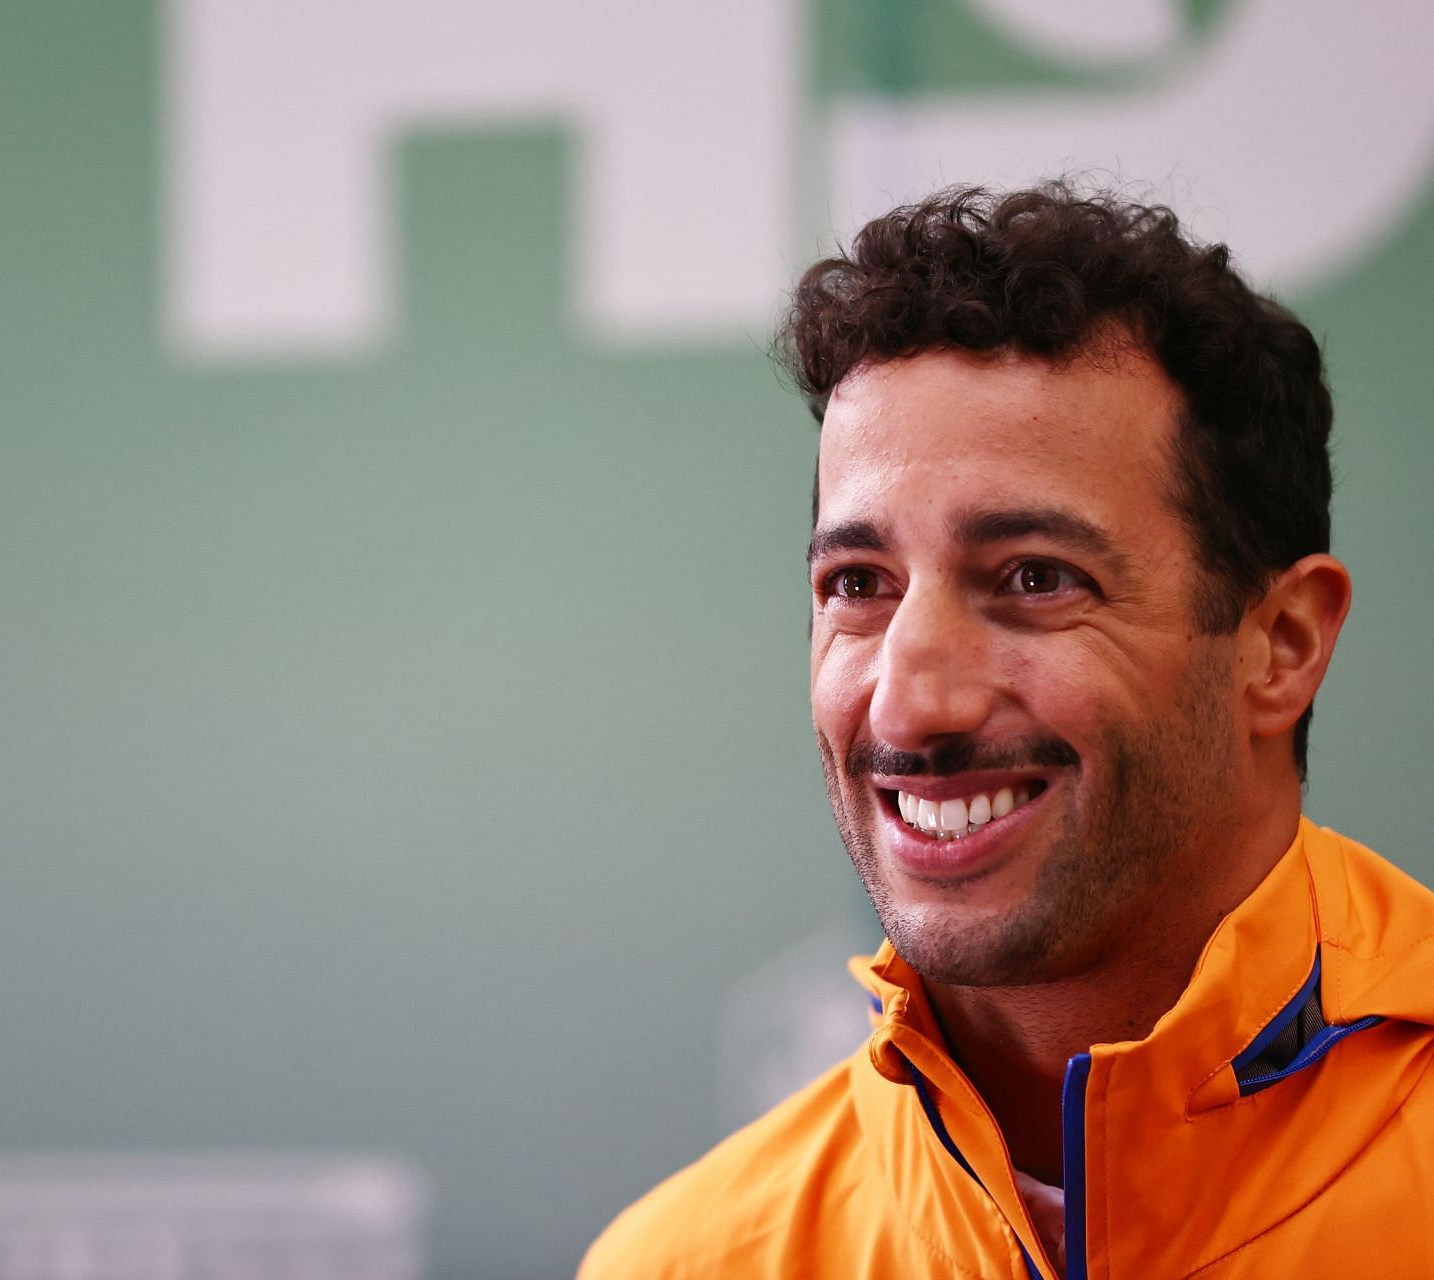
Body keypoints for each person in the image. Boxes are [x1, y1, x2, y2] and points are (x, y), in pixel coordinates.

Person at [578, 184, 1434, 1279]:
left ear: (1282, 644)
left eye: (1035, 577)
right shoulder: (691, 1262)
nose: (909, 702)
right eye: (859, 582)